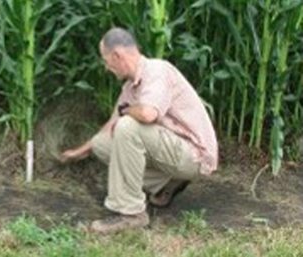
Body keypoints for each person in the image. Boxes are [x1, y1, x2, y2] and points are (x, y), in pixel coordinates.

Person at [60, 27, 218, 234]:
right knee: (102, 143)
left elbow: (147, 114)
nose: (106, 67)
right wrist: (79, 152)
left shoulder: (157, 71)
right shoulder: (130, 88)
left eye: (106, 59)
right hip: (171, 150)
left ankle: (131, 214)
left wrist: (127, 112)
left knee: (127, 127)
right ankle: (166, 184)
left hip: (194, 155)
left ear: (117, 55)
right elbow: (112, 123)